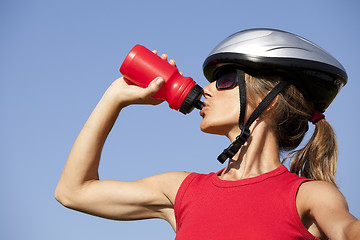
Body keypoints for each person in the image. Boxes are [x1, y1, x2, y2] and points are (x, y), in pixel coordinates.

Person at [55, 29, 360, 239]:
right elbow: (73, 192)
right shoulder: (182, 191)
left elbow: (348, 231)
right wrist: (115, 97)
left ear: (271, 101)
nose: (208, 88)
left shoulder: (308, 195)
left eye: (225, 79)